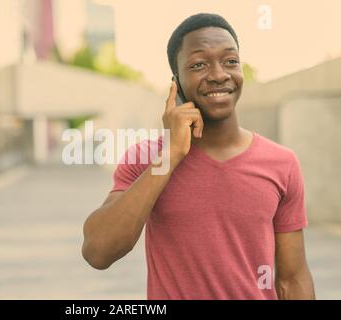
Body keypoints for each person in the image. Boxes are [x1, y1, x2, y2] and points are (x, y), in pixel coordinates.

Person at [81, 13, 315, 300]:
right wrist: (171, 155)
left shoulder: (282, 163)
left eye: (230, 61)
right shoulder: (147, 158)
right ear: (176, 83)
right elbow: (98, 251)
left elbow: (292, 279)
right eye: (199, 64)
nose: (219, 74)